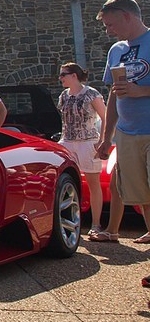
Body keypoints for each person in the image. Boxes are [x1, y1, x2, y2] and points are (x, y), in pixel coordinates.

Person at [94, 0, 150, 244]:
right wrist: (107, 138)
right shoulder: (116, 50)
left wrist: (143, 91)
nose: (109, 31)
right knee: (143, 198)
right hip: (127, 134)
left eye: (110, 24)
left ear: (127, 16)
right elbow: (113, 95)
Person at [56, 62, 107, 238]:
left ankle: (96, 224)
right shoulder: (64, 95)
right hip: (67, 141)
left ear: (73, 76)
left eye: (63, 74)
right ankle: (70, 222)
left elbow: (105, 117)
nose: (60, 78)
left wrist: (102, 140)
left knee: (93, 183)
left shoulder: (91, 94)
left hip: (87, 141)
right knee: (65, 181)